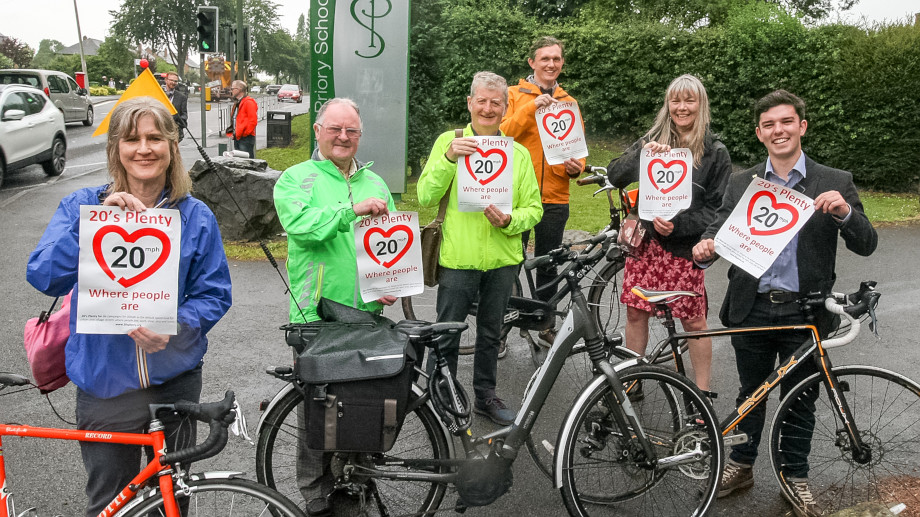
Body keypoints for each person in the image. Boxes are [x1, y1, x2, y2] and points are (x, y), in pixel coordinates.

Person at [25, 96, 232, 517]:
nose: (144, 148)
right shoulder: (83, 205)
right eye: (132, 138)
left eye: (155, 137)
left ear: (172, 147)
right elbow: (43, 274)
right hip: (104, 383)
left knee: (171, 501)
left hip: (175, 381)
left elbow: (215, 293)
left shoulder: (196, 216)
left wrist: (174, 326)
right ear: (115, 148)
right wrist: (91, 224)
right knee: (110, 504)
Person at [692, 89, 878, 517]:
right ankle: (740, 466)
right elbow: (720, 232)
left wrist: (844, 214)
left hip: (806, 311)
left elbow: (867, 243)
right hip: (751, 306)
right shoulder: (743, 183)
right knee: (751, 394)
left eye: (787, 122)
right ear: (760, 134)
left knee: (800, 398)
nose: (779, 130)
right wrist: (706, 248)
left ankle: (795, 478)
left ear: (802, 127)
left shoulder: (835, 181)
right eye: (770, 125)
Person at [273, 98, 396, 516]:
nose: (343, 137)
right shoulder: (295, 178)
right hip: (316, 316)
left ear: (360, 135)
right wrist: (350, 210)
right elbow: (301, 227)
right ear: (318, 131)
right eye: (335, 129)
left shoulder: (376, 183)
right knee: (316, 411)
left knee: (362, 408)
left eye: (352, 131)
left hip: (367, 316)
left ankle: (355, 483)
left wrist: (390, 282)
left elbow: (388, 244)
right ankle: (314, 495)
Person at [417, 71, 543, 426]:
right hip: (459, 257)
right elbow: (426, 196)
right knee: (447, 330)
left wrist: (510, 221)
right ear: (470, 103)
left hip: (503, 260)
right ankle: (441, 395)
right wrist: (447, 158)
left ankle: (485, 396)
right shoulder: (449, 140)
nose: (488, 108)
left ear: (505, 107)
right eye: (482, 101)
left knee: (491, 332)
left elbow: (533, 209)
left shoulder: (516, 154)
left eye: (496, 102)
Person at [607, 74, 731, 396]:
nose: (682, 107)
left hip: (684, 251)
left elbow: (718, 209)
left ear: (700, 104)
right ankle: (632, 381)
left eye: (689, 100)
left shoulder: (715, 152)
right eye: (675, 100)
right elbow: (615, 174)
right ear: (668, 104)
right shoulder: (654, 138)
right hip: (646, 247)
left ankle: (701, 393)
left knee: (693, 321)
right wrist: (642, 154)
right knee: (636, 313)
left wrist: (680, 225)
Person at [501, 37, 585, 336]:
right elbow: (501, 135)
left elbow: (577, 152)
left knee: (549, 263)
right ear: (532, 63)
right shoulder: (512, 95)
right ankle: (501, 329)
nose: (551, 64)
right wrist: (531, 108)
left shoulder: (569, 103)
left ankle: (543, 322)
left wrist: (578, 168)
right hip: (515, 197)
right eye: (545, 59)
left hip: (554, 195)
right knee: (508, 264)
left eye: (556, 59)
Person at [226, 80, 257, 158]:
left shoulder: (248, 102)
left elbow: (252, 121)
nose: (231, 91)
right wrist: (235, 133)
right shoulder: (238, 102)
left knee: (247, 161)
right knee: (240, 160)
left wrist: (245, 133)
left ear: (239, 90)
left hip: (245, 138)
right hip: (239, 137)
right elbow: (236, 119)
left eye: (232, 89)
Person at [164, 71, 187, 141]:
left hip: (174, 133)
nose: (173, 83)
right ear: (166, 80)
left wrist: (177, 122)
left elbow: (184, 115)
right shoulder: (158, 94)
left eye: (175, 81)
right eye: (171, 80)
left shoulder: (182, 97)